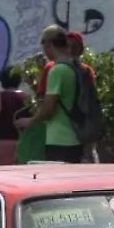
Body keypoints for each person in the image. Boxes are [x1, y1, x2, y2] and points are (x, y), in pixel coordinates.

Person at [16, 27, 83, 164]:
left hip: (59, 139)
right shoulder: (76, 67)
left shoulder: (57, 70)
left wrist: (29, 122)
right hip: (76, 137)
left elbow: (48, 108)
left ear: (48, 44)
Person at [66, 31, 104, 163]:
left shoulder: (86, 71)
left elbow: (92, 101)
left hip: (81, 128)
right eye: (67, 46)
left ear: (81, 50)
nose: (70, 51)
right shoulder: (54, 69)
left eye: (74, 47)